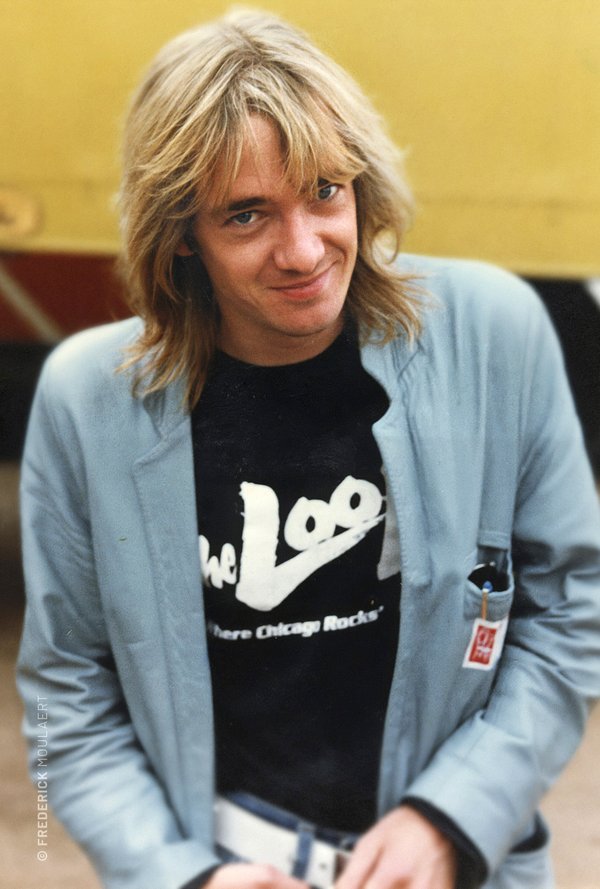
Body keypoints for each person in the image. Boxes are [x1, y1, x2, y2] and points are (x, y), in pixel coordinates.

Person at [16, 9, 600, 889]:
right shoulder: (87, 401)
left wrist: (455, 818)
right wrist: (181, 873)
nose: (302, 250)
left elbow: (570, 608)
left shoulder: (495, 336)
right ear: (182, 234)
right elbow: (67, 699)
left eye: (325, 190)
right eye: (247, 214)